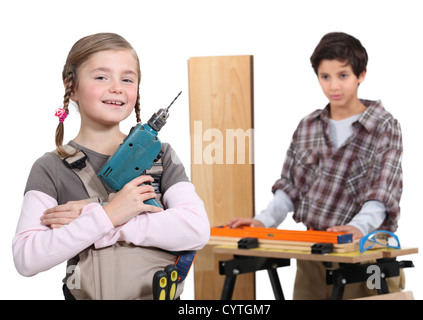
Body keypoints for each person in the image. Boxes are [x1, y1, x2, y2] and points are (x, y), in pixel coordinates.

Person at [12, 33, 210, 300]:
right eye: (101, 77)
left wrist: (106, 216)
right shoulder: (51, 168)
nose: (117, 87)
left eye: (127, 79)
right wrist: (108, 214)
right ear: (71, 88)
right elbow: (27, 258)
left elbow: (196, 229)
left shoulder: (161, 155)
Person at [227, 32, 403, 299]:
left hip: (364, 254)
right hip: (315, 254)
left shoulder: (383, 125)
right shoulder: (308, 126)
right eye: (325, 76)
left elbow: (382, 192)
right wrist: (262, 222)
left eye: (343, 75)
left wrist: (357, 228)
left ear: (361, 75)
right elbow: (290, 187)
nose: (334, 85)